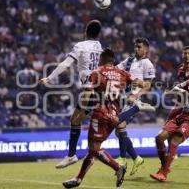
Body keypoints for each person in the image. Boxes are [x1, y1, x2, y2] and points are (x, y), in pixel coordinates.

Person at [62, 49, 145, 188]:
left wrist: (81, 110)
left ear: (102, 59)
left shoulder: (97, 72)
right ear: (113, 61)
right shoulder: (122, 73)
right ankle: (78, 179)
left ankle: (118, 167)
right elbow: (142, 84)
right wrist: (134, 90)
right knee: (94, 149)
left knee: (94, 149)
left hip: (100, 113)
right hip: (114, 116)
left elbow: (88, 93)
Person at [40, 19, 103, 168]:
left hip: (90, 91)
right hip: (99, 90)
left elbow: (65, 64)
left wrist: (49, 77)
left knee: (75, 121)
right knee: (80, 121)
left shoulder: (80, 46)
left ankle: (72, 155)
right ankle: (81, 154)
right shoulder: (99, 47)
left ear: (85, 32)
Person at [115, 37, 156, 175]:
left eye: (139, 47)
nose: (136, 49)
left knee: (118, 122)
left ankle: (122, 158)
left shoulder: (147, 64)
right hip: (123, 98)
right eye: (135, 46)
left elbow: (148, 85)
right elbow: (116, 70)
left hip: (135, 101)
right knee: (119, 129)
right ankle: (136, 158)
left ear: (146, 49)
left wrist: (136, 96)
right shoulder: (129, 60)